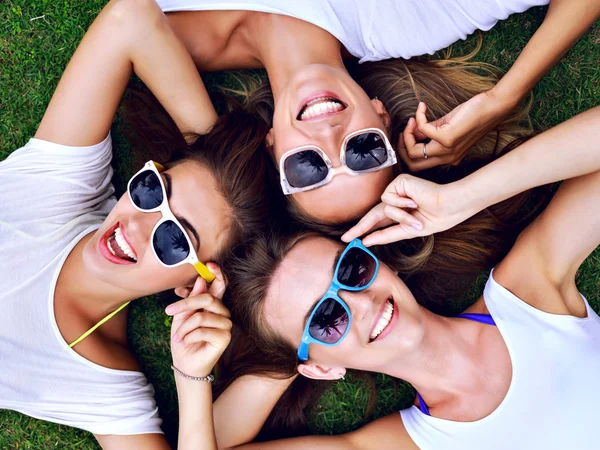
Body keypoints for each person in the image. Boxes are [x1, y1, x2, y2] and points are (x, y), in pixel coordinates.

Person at [166, 105, 600, 449]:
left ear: (381, 262)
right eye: (325, 319)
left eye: (351, 270)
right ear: (319, 369)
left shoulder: (527, 294)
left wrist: (461, 199)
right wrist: (192, 376)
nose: (361, 303)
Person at [0, 0, 271, 448]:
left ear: (195, 284)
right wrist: (210, 150)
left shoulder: (98, 381)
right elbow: (130, 18)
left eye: (175, 238)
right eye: (152, 190)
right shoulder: (64, 189)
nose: (136, 226)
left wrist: (192, 378)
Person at [153, 0, 599, 225]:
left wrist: (212, 145)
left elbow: (126, 18)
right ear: (382, 117)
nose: (329, 138)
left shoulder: (172, 34)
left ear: (270, 145)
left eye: (308, 167)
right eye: (363, 152)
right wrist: (504, 97)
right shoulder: (402, 23)